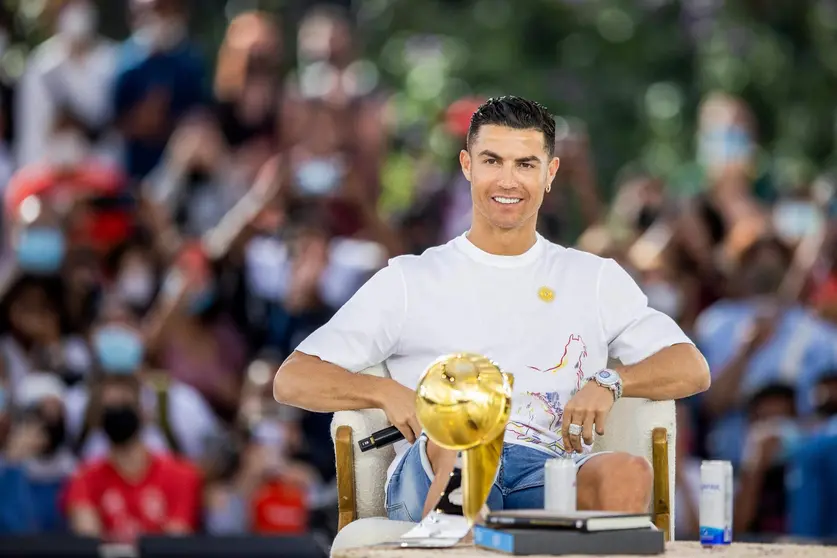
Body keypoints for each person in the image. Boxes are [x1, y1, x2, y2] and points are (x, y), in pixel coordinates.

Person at [274, 96, 710, 522]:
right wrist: (383, 392)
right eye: (492, 161)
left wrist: (613, 380)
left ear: (550, 172)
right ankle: (458, 535)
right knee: (467, 434)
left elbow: (692, 368)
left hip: (546, 471)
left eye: (525, 164)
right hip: (436, 465)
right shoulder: (409, 279)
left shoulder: (592, 277)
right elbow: (292, 379)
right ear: (467, 165)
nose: (508, 181)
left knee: (625, 472)